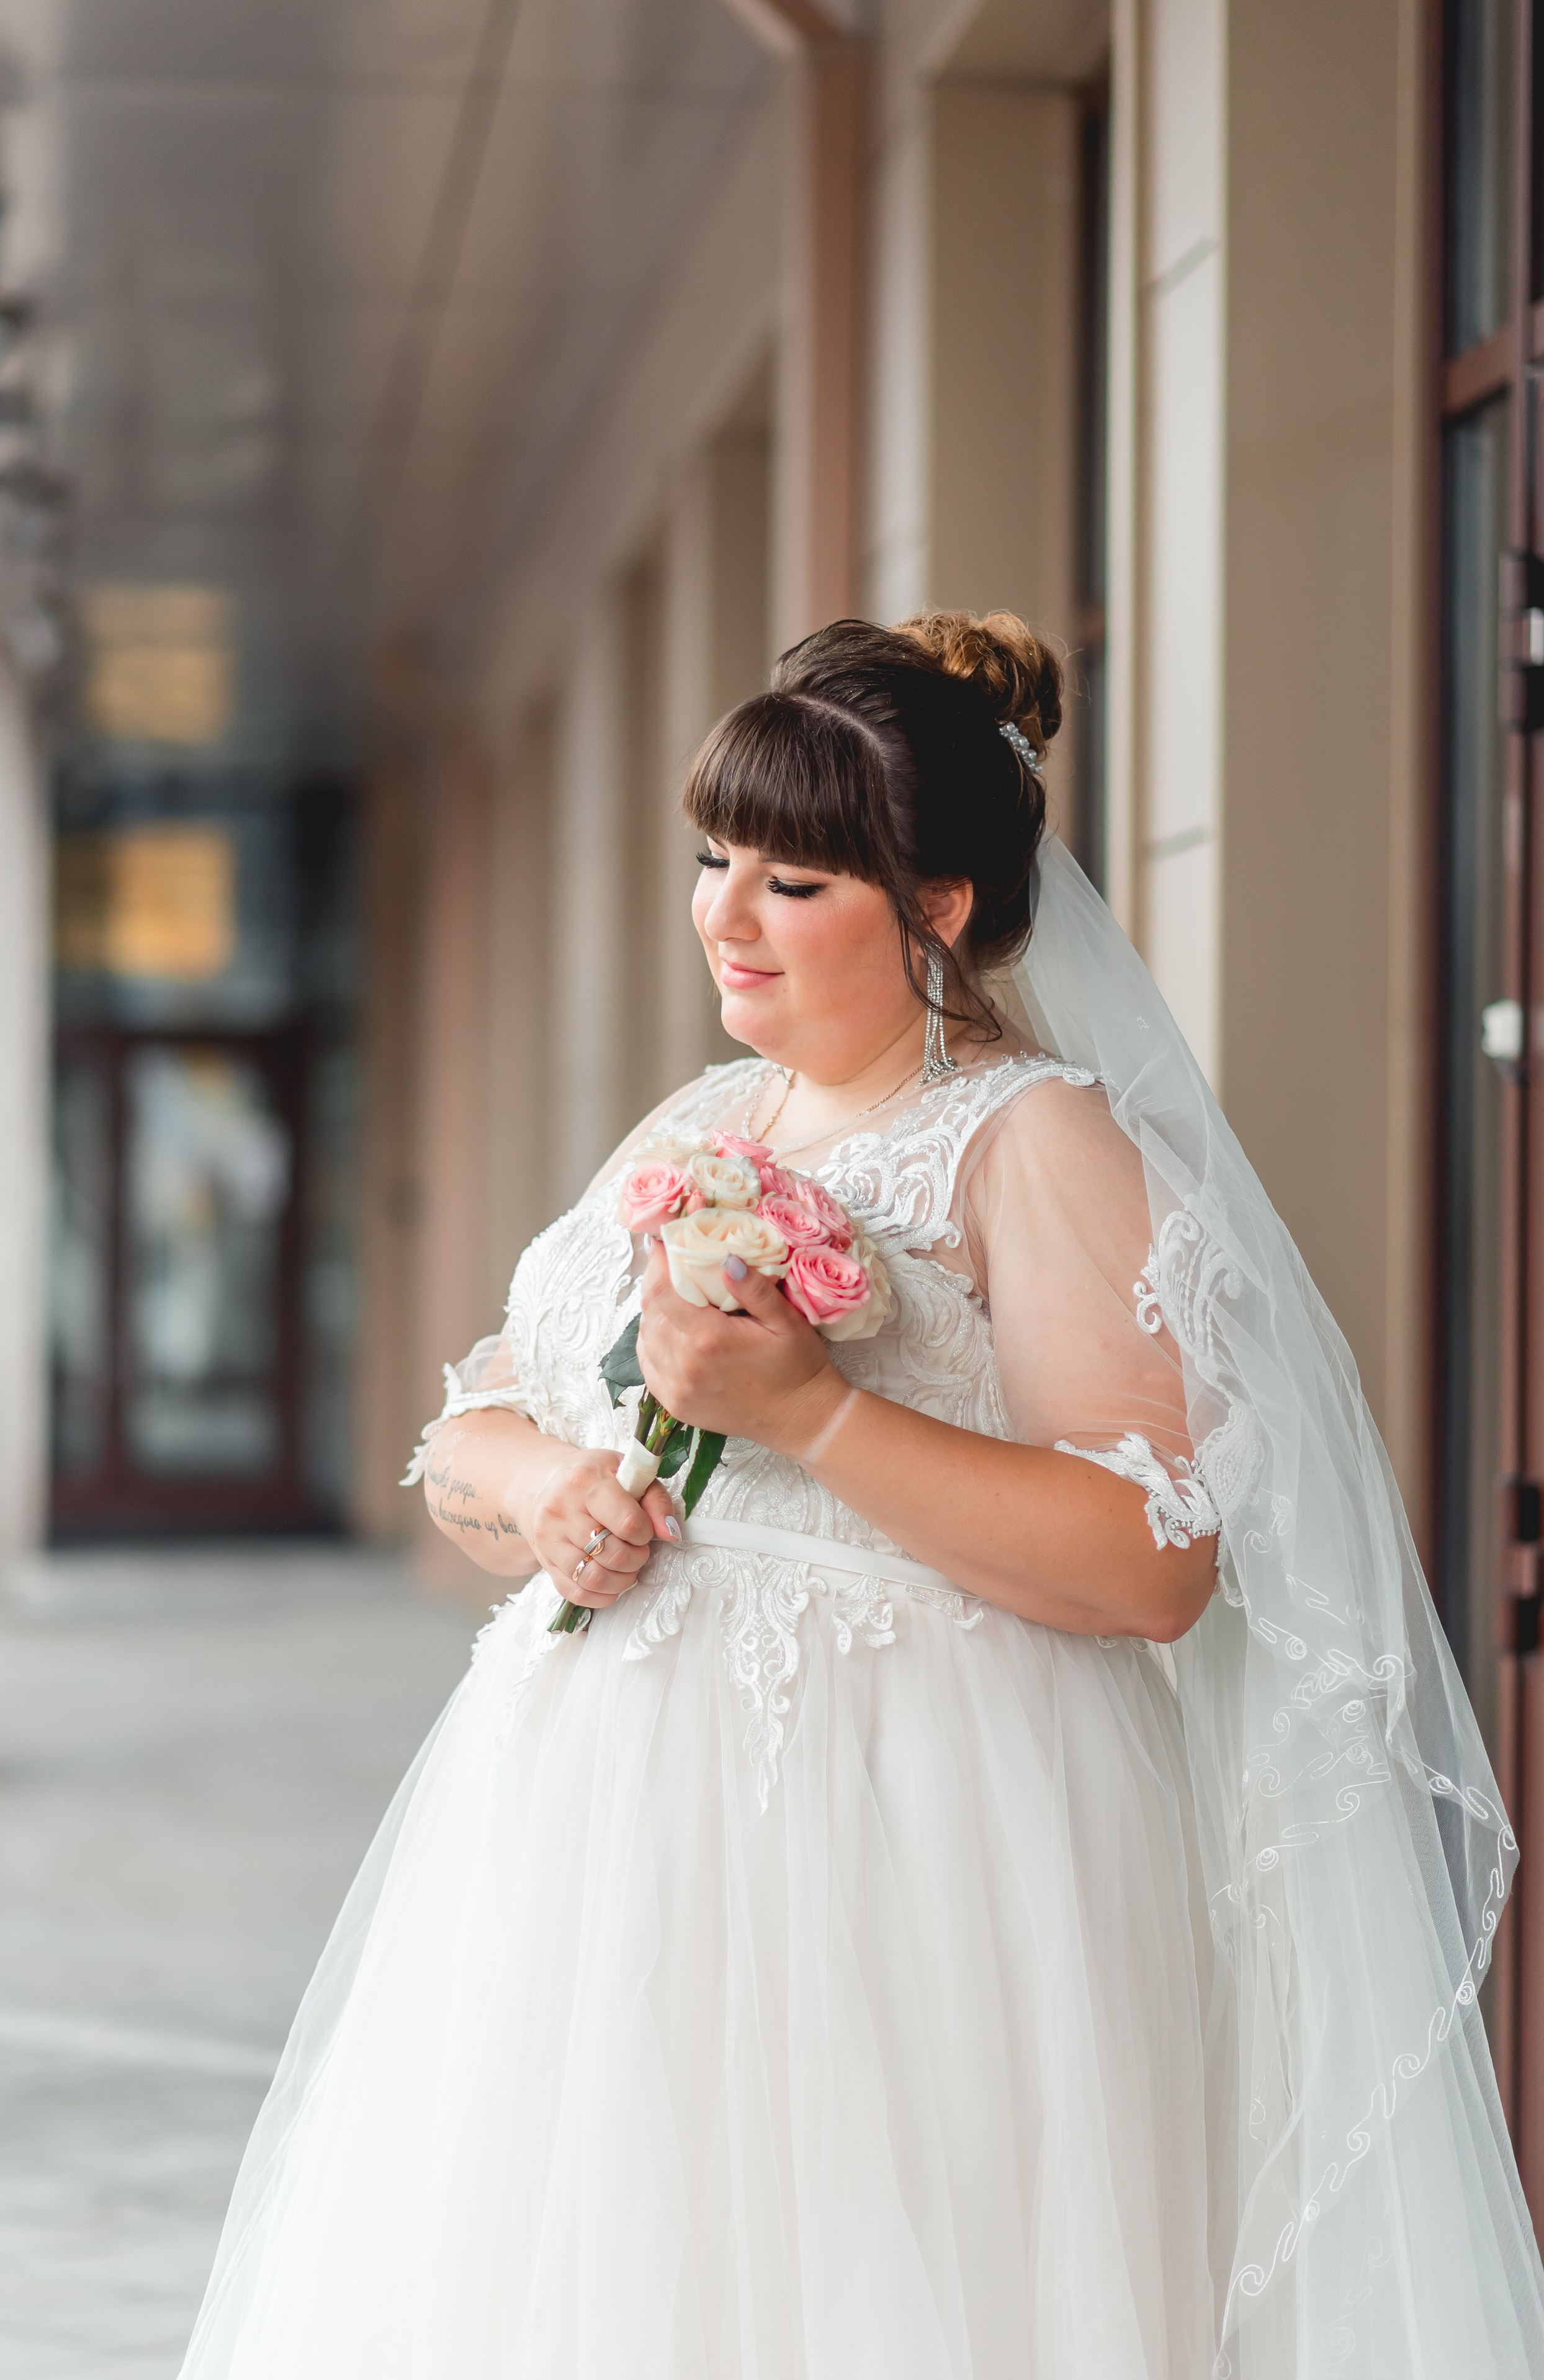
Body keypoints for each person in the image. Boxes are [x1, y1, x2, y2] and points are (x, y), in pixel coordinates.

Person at [179, 614, 1544, 2378]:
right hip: (590, 1846)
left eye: (794, 879)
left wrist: (815, 1418)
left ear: (941, 905)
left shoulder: (1031, 1140)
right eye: (713, 860)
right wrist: (555, 1488)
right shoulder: (696, 1131)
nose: (725, 915)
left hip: (911, 1829)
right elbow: (473, 1421)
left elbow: (1153, 1561)